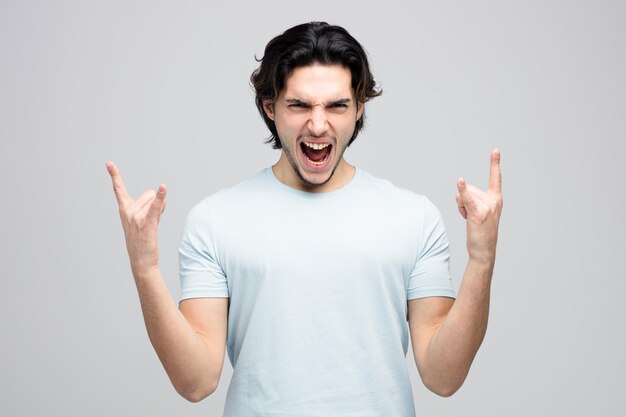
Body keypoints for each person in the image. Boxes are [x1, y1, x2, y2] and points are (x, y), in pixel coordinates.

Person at [107, 22, 503, 417]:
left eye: (336, 105)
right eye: (299, 105)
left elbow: (443, 376)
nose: (317, 125)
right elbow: (195, 382)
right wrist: (145, 269)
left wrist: (482, 260)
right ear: (270, 107)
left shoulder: (413, 217)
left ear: (358, 108)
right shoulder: (215, 220)